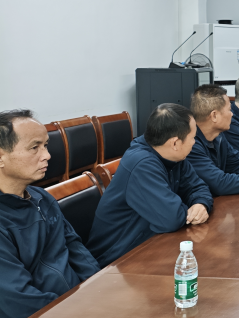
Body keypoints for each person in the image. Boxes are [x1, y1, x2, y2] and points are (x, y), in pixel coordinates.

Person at [0, 110, 100, 318]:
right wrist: (77, 315)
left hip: (76, 304)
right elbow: (19, 303)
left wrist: (98, 287)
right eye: (34, 147)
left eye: (45, 145)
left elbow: (73, 246)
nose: (47, 155)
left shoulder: (41, 197)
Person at [86, 104, 213, 268]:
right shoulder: (142, 164)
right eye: (192, 138)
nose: (195, 142)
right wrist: (188, 208)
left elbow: (198, 187)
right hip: (117, 260)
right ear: (175, 143)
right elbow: (171, 218)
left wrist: (200, 203)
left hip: (153, 245)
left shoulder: (173, 156)